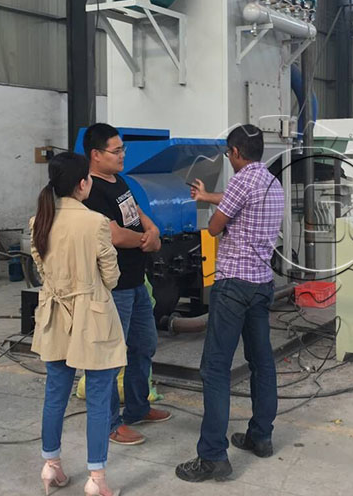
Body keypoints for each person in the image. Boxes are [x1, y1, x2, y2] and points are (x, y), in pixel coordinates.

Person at [175, 124, 285, 483]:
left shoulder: (241, 182)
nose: (228, 157)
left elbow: (214, 229)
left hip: (233, 286)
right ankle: (261, 435)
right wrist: (207, 196)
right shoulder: (272, 182)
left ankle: (212, 457)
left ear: (236, 152)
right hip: (261, 285)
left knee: (216, 369)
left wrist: (210, 209)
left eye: (227, 153)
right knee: (261, 361)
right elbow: (237, 201)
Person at [31, 152, 125, 496]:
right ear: (82, 184)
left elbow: (42, 270)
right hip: (93, 318)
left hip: (54, 315)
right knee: (99, 397)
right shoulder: (95, 222)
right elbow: (111, 277)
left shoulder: (39, 221)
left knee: (55, 394)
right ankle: (96, 479)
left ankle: (51, 465)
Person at [82, 123, 171, 446]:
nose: (122, 155)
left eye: (123, 150)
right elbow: (113, 235)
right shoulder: (90, 191)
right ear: (95, 154)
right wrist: (145, 241)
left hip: (136, 281)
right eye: (116, 151)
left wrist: (153, 233)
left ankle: (137, 407)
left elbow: (139, 216)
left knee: (143, 345)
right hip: (112, 287)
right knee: (108, 358)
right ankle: (110, 424)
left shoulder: (119, 181)